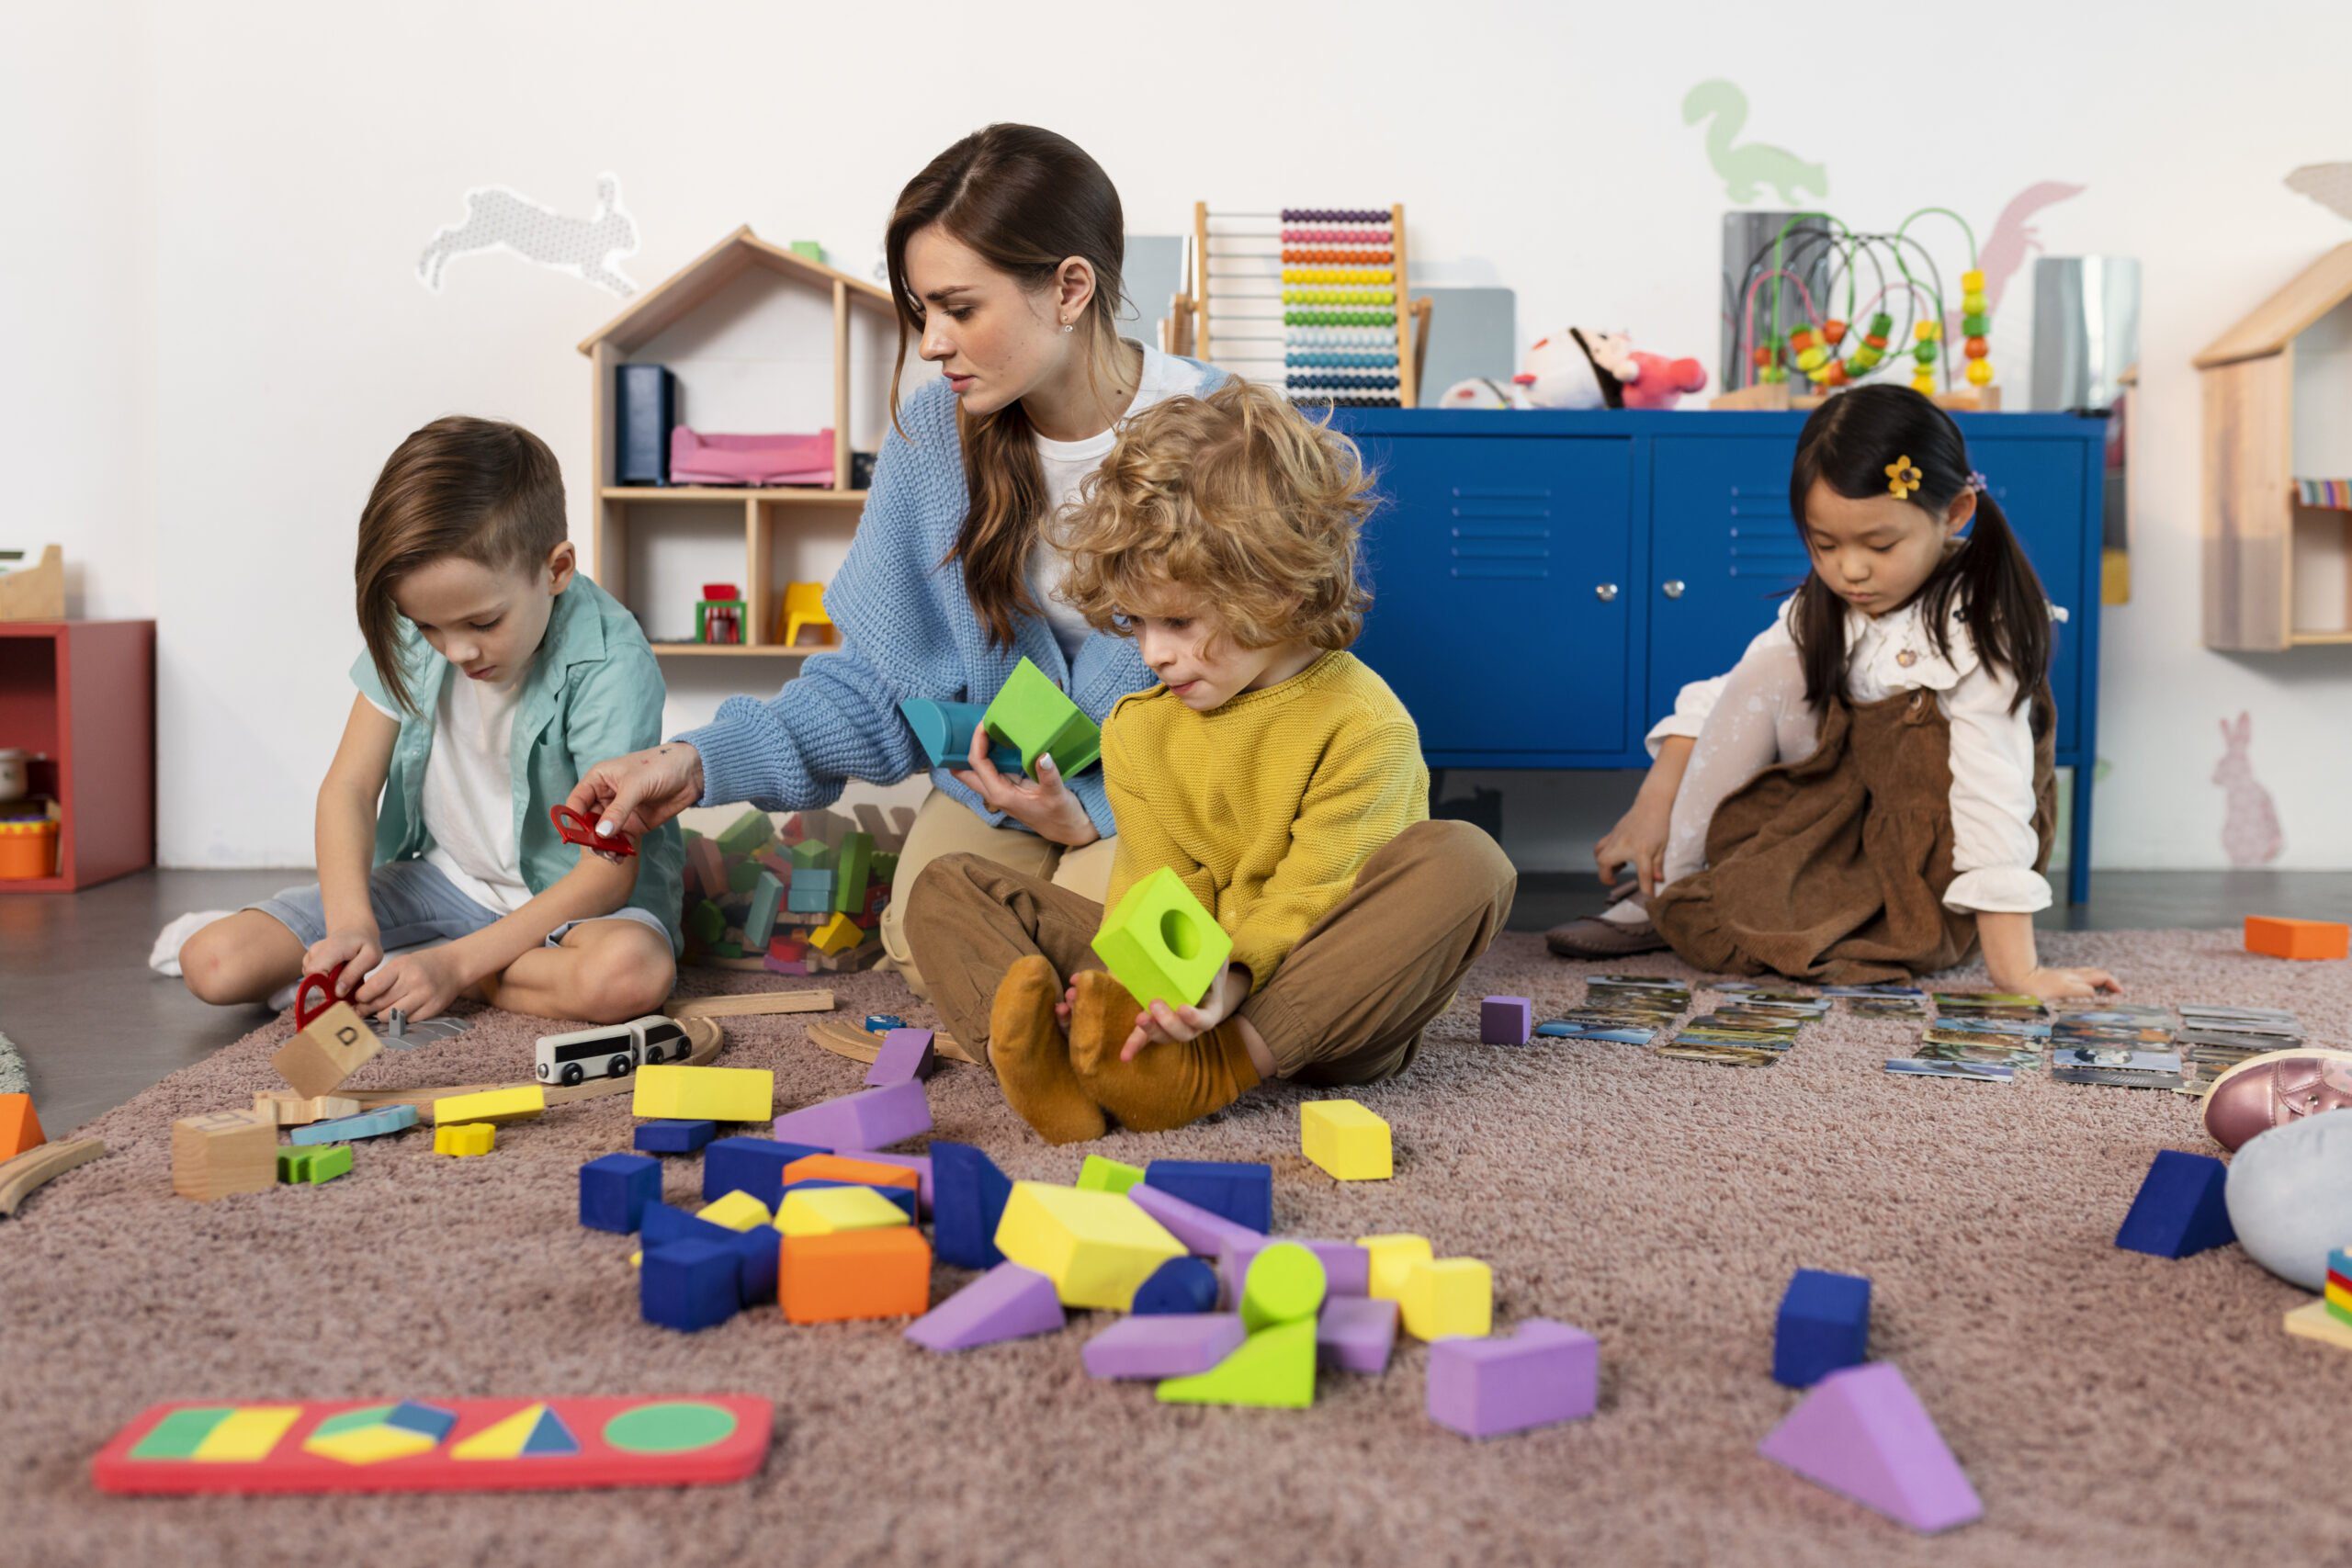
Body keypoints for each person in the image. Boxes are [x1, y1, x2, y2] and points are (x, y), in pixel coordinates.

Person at [564, 125, 1221, 997]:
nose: (931, 344)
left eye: (960, 309)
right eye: (921, 312)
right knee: (924, 934)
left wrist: (1091, 814)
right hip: (1002, 779)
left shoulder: (1225, 437)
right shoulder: (933, 443)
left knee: (1121, 952)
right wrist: (698, 760)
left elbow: (1273, 701)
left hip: (1170, 788)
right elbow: (880, 685)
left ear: (1069, 289)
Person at [905, 380, 1518, 1143]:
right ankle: (1052, 1069)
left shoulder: (1362, 722)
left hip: (1316, 1004)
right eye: (1137, 622)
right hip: (1186, 990)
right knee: (948, 885)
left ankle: (1223, 1068)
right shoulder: (1141, 728)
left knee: (1468, 862)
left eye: (1179, 621)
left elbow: (1311, 896)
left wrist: (1227, 986)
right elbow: (1154, 893)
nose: (1154, 653)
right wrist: (1142, 989)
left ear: (1274, 586)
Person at [1546, 383, 2118, 999]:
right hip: (1843, 824)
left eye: (1880, 545)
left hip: (1926, 860)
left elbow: (1993, 794)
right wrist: (1653, 800)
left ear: (1954, 513)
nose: (1850, 570)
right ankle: (1671, 889)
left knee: (1793, 893)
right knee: (1773, 668)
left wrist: (2017, 972)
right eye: (1825, 545)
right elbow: (1729, 695)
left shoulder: (1979, 626)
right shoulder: (1828, 602)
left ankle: (1685, 901)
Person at [177, 416, 683, 1023]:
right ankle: (431, 963)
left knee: (630, 975)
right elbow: (349, 788)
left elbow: (606, 877)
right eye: (427, 627)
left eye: (483, 623)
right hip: (447, 883)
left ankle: (445, 968)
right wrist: (352, 925)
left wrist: (455, 966)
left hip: (570, 906)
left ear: (556, 569)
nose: (455, 650)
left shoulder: (611, 663)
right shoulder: (421, 618)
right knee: (213, 961)